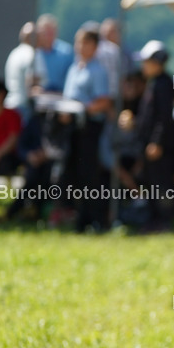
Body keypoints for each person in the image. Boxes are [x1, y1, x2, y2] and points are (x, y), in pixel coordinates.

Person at [62, 22, 112, 232]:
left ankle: (96, 219)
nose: (80, 47)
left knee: (89, 174)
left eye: (85, 43)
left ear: (94, 46)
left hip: (90, 127)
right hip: (73, 127)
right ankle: (80, 218)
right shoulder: (74, 68)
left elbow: (104, 102)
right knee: (74, 174)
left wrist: (83, 107)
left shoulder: (97, 70)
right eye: (78, 43)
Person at [135, 40, 174, 230]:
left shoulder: (164, 84)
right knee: (151, 181)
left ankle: (164, 220)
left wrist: (156, 142)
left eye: (146, 62)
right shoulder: (154, 83)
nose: (143, 66)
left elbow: (163, 117)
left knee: (161, 183)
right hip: (149, 143)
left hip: (159, 146)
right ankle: (153, 219)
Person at [4, 22, 44, 122]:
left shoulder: (14, 53)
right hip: (23, 107)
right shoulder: (30, 53)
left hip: (9, 104)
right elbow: (30, 80)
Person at [36, 14, 74, 93]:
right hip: (39, 95)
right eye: (45, 33)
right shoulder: (34, 53)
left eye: (50, 33)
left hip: (61, 94)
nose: (47, 36)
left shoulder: (66, 51)